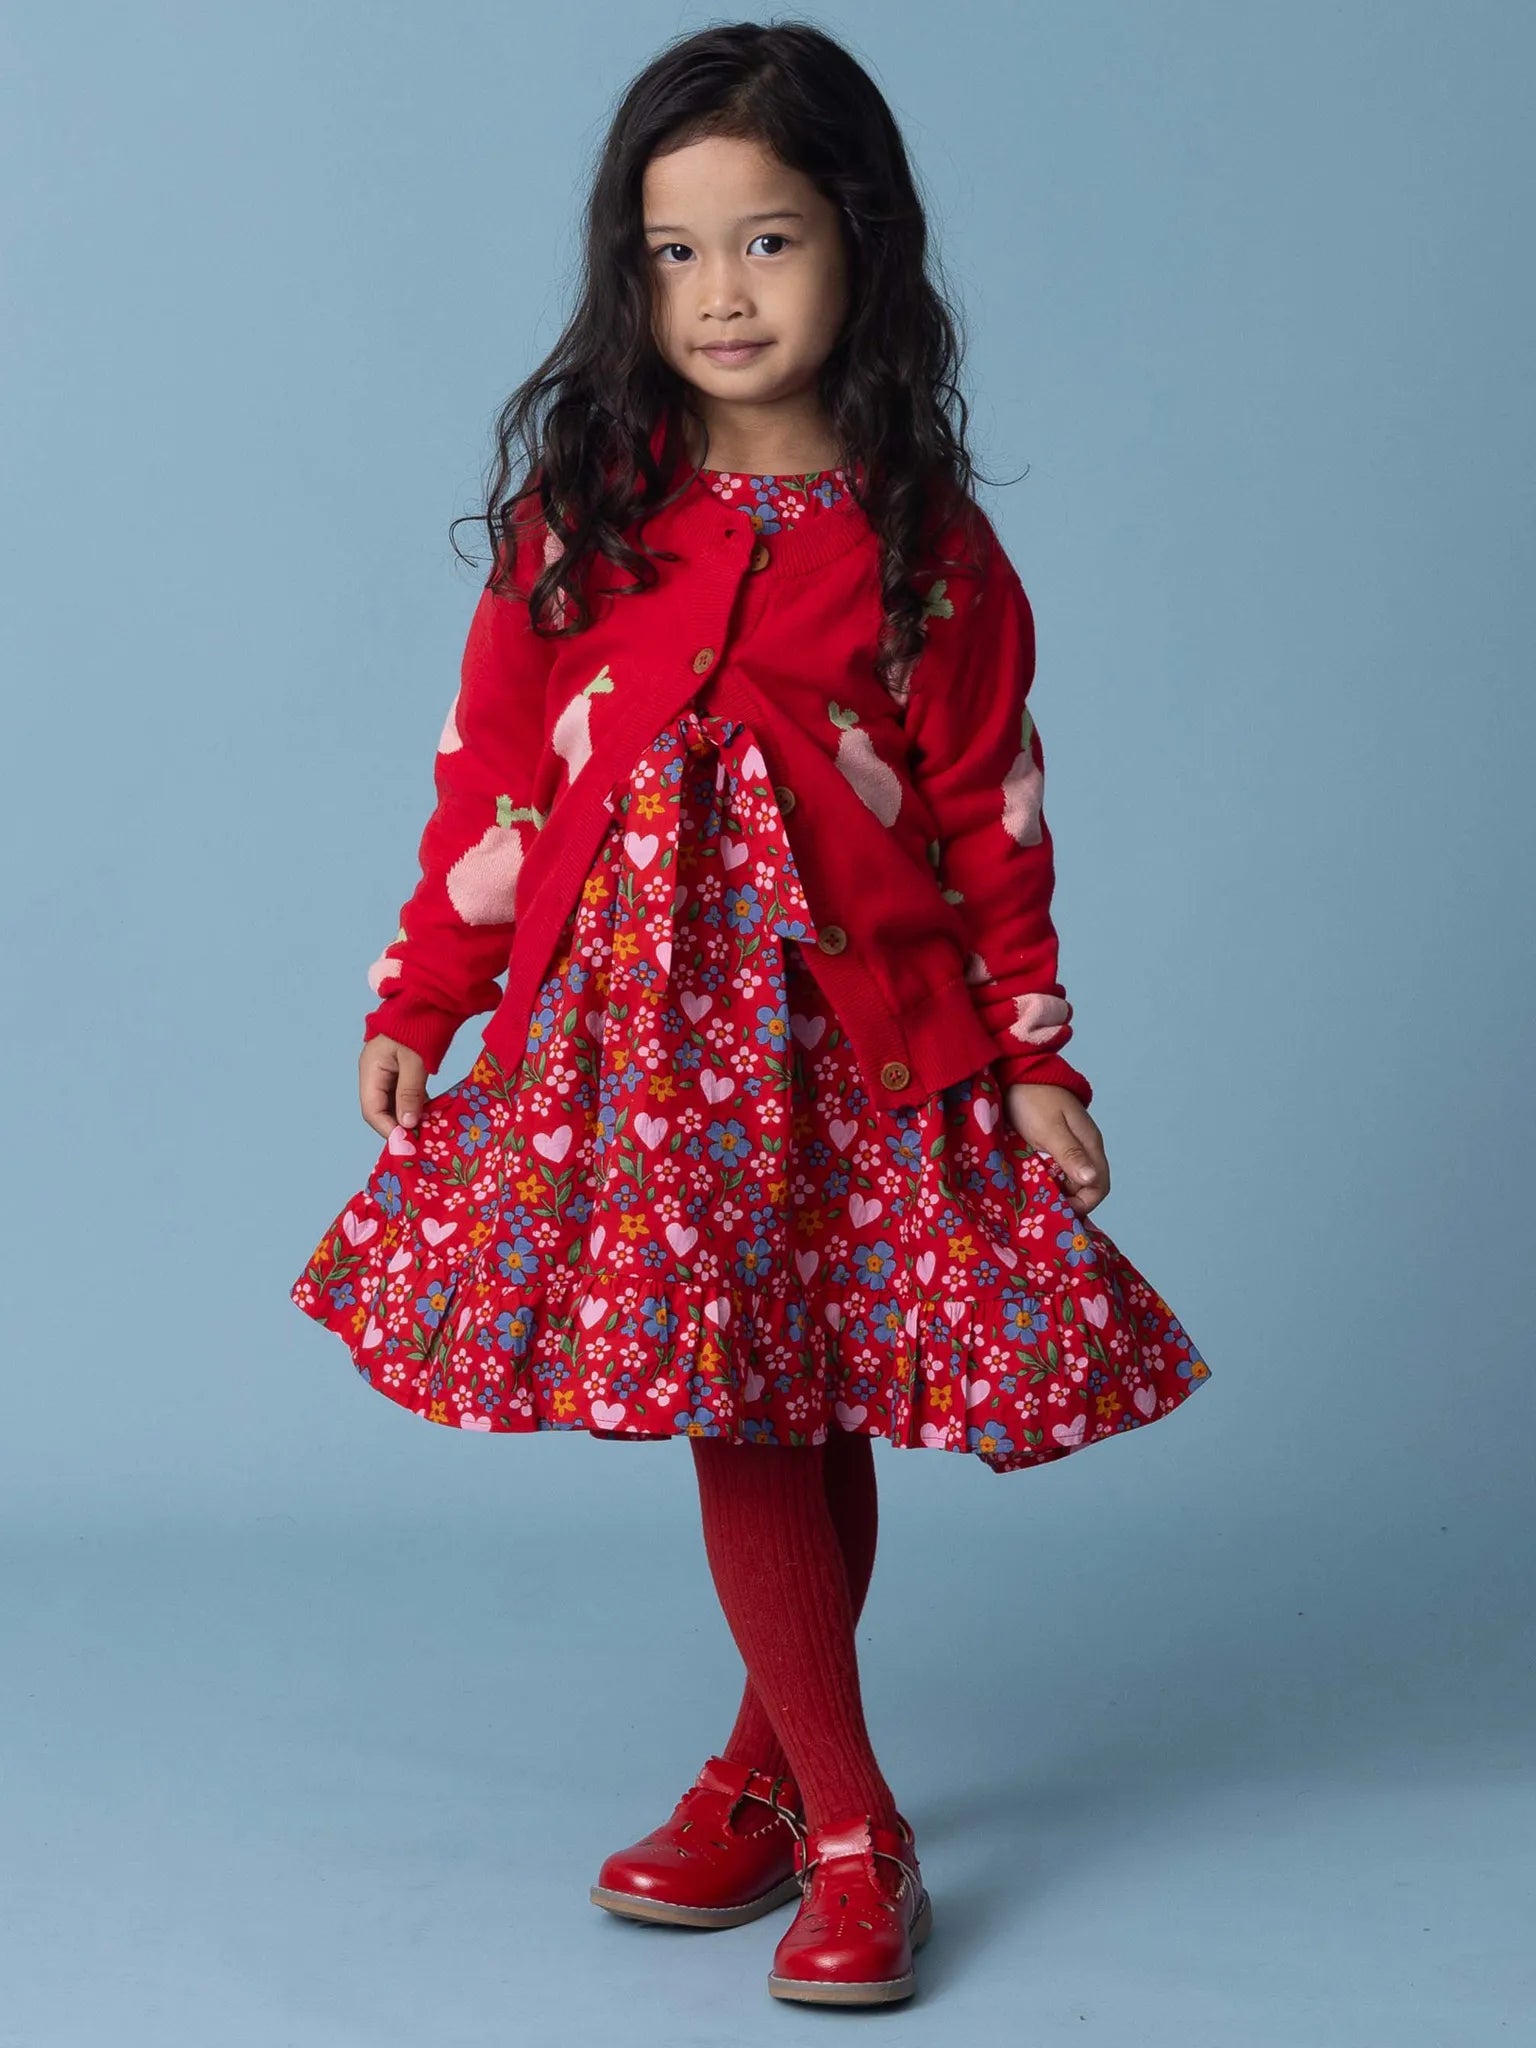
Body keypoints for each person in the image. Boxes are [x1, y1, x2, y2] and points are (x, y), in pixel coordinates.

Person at [289, 19, 1212, 2009]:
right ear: (631, 277)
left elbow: (993, 821)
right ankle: (829, 1805)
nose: (721, 293)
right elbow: (497, 785)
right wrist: (423, 991)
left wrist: (1036, 1057)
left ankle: (789, 1794)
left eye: (769, 243)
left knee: (796, 1387)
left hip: (844, 1055)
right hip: (638, 1057)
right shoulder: (585, 525)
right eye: (675, 252)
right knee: (749, 1398)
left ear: (861, 251)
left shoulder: (929, 553)